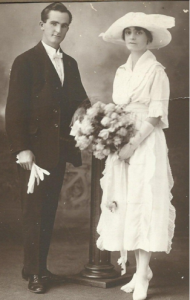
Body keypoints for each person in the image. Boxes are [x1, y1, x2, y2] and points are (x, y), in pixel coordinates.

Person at [5, 2, 90, 294]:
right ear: (42, 25)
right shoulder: (25, 61)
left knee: (47, 212)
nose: (58, 30)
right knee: (34, 213)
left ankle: (36, 266)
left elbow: (82, 99)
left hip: (58, 151)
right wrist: (22, 149)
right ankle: (36, 273)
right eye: (53, 23)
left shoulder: (71, 63)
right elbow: (14, 111)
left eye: (64, 25)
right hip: (33, 155)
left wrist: (82, 112)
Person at [97, 12, 176, 300]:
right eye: (128, 31)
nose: (132, 36)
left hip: (145, 141)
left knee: (144, 203)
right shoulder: (121, 71)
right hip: (123, 141)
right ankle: (136, 269)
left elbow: (155, 115)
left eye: (138, 32)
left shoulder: (157, 72)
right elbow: (119, 109)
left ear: (148, 38)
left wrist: (133, 143)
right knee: (125, 201)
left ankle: (142, 273)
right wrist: (114, 138)